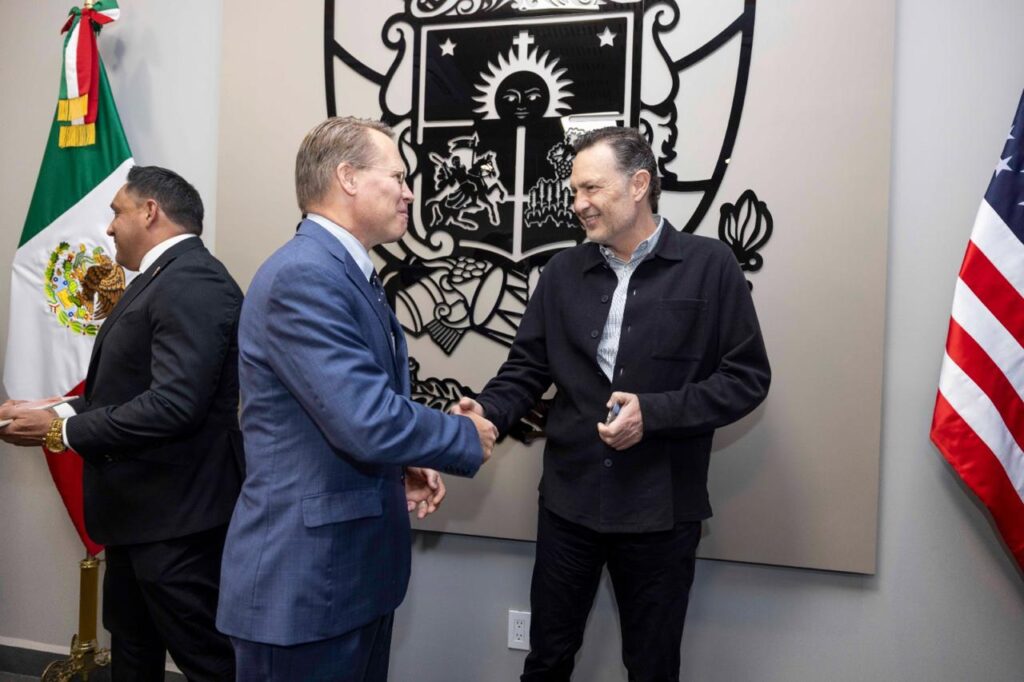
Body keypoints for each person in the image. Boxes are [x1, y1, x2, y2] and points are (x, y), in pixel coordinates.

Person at [453, 126, 771, 682]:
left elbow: (747, 378)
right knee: (546, 661)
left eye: (591, 188)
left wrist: (655, 413)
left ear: (639, 185)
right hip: (568, 505)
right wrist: (484, 413)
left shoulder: (711, 265)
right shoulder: (561, 273)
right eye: (574, 190)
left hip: (661, 510)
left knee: (652, 668)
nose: (578, 203)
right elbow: (525, 370)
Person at [216, 117, 498, 681]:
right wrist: (465, 435)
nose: (409, 192)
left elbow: (335, 413)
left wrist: (400, 466)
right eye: (397, 176)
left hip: (346, 581)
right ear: (347, 177)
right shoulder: (305, 276)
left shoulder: (340, 271)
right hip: (304, 588)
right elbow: (365, 420)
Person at [0, 166, 244, 681]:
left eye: (117, 212)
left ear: (150, 211)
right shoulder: (159, 278)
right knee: (132, 654)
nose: (109, 227)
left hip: (177, 525)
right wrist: (56, 409)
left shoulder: (193, 280)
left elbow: (174, 404)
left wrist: (59, 432)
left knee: (208, 662)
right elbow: (127, 390)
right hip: (138, 517)